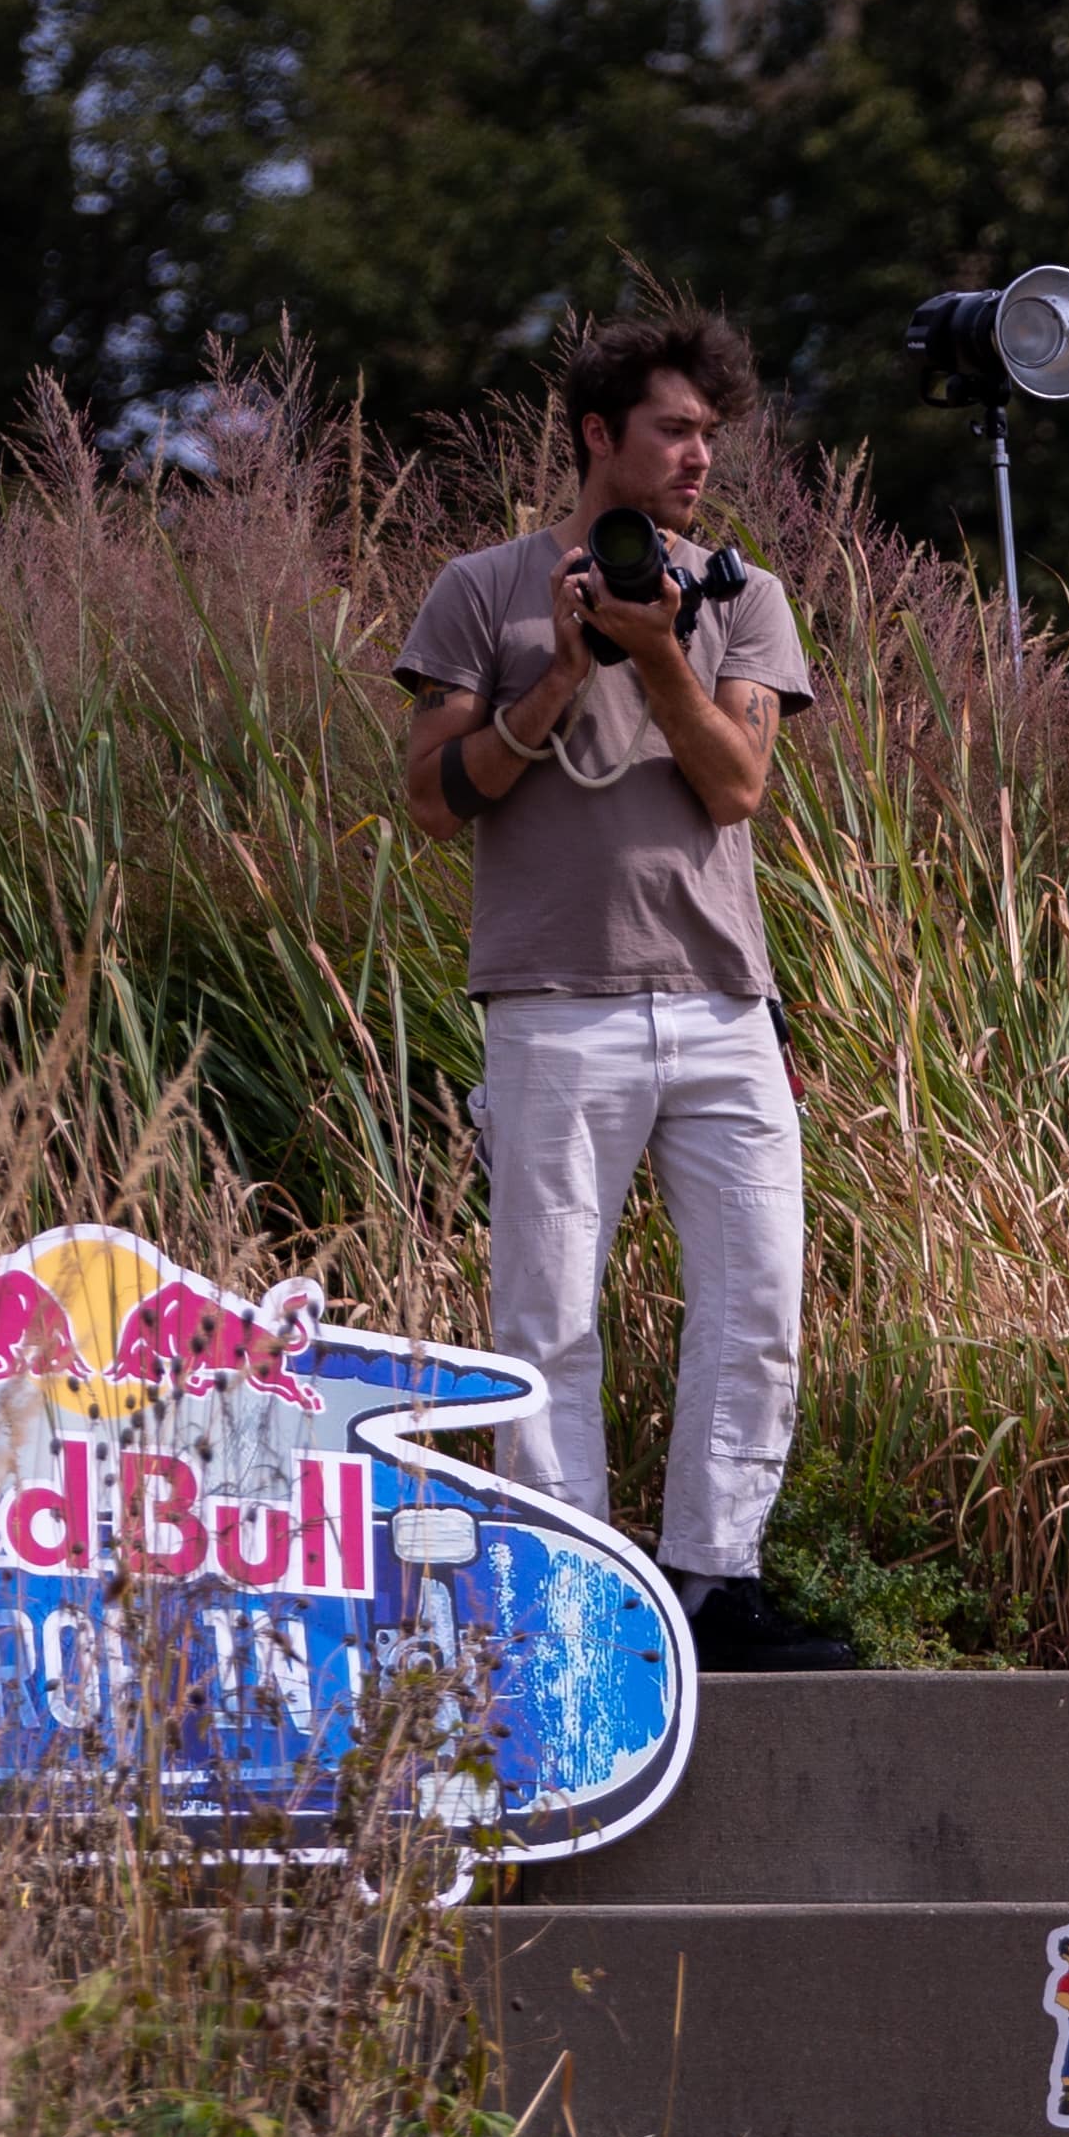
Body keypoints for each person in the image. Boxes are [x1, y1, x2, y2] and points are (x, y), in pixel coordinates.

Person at [395, 306, 853, 1672]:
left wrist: (654, 651)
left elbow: (739, 786)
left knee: (759, 1301)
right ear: (600, 437)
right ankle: (568, 1602)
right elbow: (431, 803)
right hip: (553, 1001)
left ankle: (715, 1583)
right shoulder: (482, 590)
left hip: (722, 1002)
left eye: (709, 432)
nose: (698, 456)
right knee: (550, 1316)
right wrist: (555, 681)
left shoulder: (739, 599)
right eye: (672, 429)